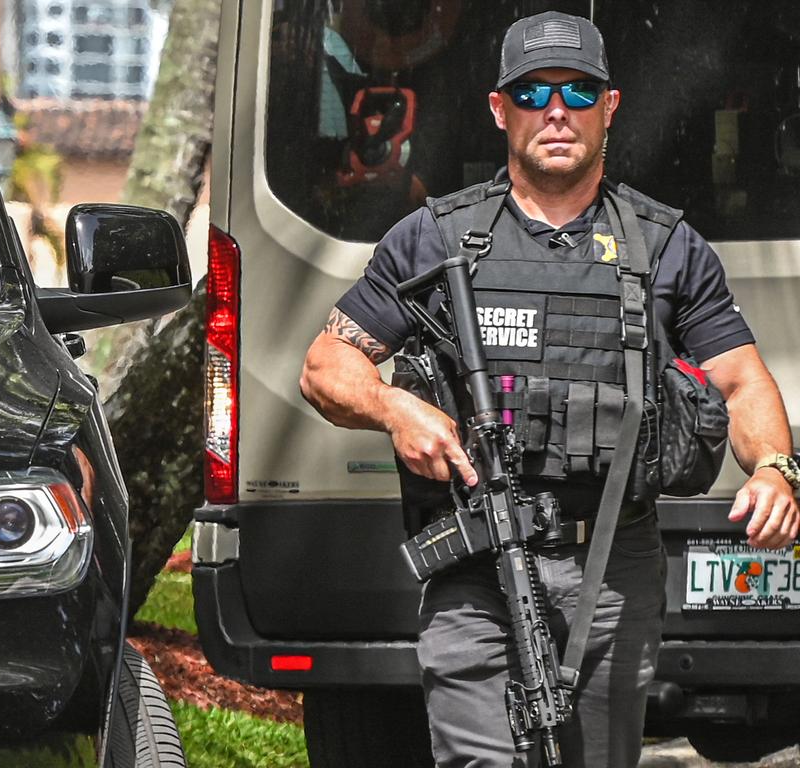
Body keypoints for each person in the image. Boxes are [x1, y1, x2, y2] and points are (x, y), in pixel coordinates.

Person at [299, 10, 800, 768]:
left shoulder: (664, 246)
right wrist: (395, 407)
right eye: (531, 93)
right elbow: (326, 365)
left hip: (612, 566)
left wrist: (772, 467)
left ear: (609, 106)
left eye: (577, 91)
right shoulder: (438, 238)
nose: (555, 110)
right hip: (476, 562)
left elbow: (743, 380)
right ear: (500, 110)